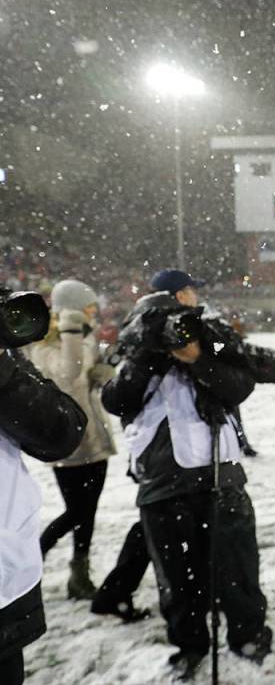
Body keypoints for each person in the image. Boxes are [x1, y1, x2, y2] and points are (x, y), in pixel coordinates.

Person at [101, 285, 272, 679]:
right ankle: (189, 644)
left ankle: (249, 635)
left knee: (238, 570)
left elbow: (240, 386)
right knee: (177, 580)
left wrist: (197, 358)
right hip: (162, 485)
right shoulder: (136, 358)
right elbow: (116, 399)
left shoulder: (207, 346)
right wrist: (150, 356)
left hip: (221, 477)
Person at [0, 288, 86, 685]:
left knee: (83, 514)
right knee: (78, 512)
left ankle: (79, 566)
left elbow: (64, 425)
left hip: (5, 582)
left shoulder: (10, 354)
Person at [28, 279, 117, 600]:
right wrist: (70, 330)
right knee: (76, 511)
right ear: (74, 309)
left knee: (87, 513)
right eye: (89, 307)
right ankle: (31, 561)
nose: (94, 312)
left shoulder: (83, 336)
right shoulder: (43, 343)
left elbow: (84, 377)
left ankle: (79, 575)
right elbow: (67, 374)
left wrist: (102, 373)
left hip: (94, 436)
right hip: (66, 440)